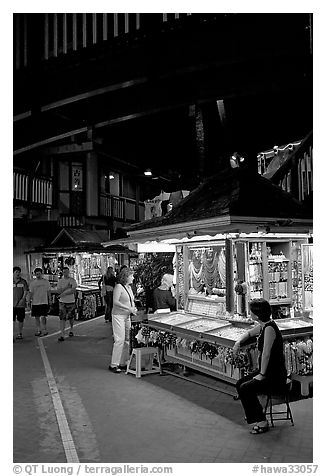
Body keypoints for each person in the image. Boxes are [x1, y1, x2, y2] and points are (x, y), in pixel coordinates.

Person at [233, 298, 287, 434]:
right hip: (267, 370)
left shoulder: (269, 329)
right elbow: (250, 333)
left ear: (256, 315)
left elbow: (266, 354)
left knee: (246, 388)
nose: (249, 313)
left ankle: (262, 421)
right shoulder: (264, 325)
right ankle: (254, 415)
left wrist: (261, 375)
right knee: (240, 383)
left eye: (251, 311)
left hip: (274, 374)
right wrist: (238, 341)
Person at [109, 267, 138, 373]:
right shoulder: (118, 287)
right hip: (118, 316)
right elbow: (115, 302)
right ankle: (114, 364)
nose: (133, 278)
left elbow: (131, 300)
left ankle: (124, 361)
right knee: (119, 340)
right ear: (126, 277)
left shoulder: (129, 287)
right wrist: (129, 308)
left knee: (127, 339)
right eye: (131, 276)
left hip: (127, 316)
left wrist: (133, 308)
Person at [56, 266, 77, 342]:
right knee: (62, 318)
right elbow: (58, 291)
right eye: (64, 272)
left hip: (71, 301)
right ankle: (62, 334)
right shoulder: (60, 281)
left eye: (67, 272)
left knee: (71, 317)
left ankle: (71, 329)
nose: (66, 273)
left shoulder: (72, 280)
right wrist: (66, 288)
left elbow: (73, 290)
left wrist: (62, 294)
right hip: (62, 302)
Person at [29, 268, 51, 337]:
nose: (38, 275)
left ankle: (44, 330)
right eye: (37, 274)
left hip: (44, 301)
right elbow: (31, 293)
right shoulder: (33, 283)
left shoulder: (46, 282)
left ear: (42, 274)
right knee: (37, 317)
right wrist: (29, 301)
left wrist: (50, 300)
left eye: (39, 274)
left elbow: (48, 291)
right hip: (35, 302)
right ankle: (38, 330)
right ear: (35, 274)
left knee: (43, 316)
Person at [13, 266, 29, 340]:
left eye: (19, 272)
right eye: (16, 272)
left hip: (20, 304)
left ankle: (20, 333)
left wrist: (23, 299)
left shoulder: (23, 281)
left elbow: (25, 291)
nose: (18, 274)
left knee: (20, 319)